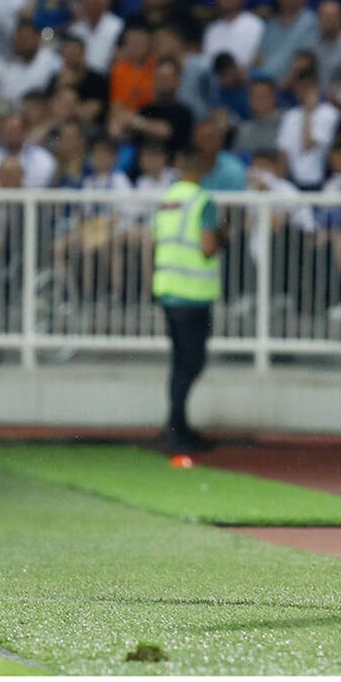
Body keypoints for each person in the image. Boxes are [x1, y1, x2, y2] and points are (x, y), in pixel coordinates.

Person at [152, 146, 228, 454]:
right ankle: (176, 429)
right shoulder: (202, 201)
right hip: (194, 294)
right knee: (192, 363)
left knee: (179, 363)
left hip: (168, 288)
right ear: (202, 169)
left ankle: (176, 425)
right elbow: (208, 246)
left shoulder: (168, 199)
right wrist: (224, 235)